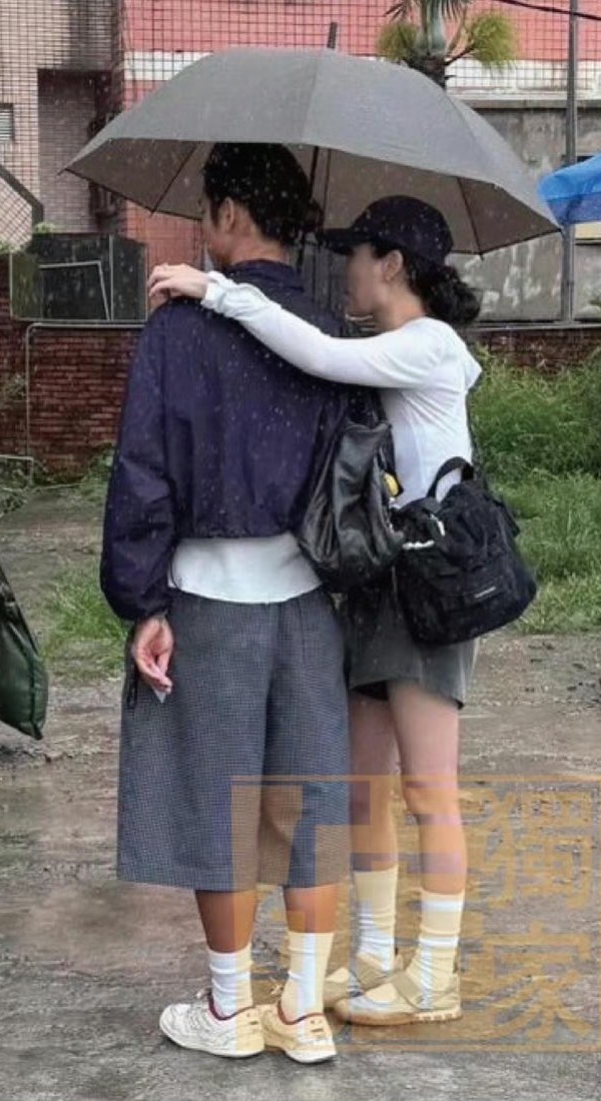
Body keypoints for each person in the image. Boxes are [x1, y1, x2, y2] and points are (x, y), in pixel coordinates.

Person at [149, 195, 483, 1027]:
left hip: (429, 587)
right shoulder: (392, 351)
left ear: (392, 265)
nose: (344, 272)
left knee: (428, 787)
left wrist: (216, 289)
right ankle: (372, 954)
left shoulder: (427, 343)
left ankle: (433, 973)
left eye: (356, 256)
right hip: (380, 586)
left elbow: (319, 355)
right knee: (359, 785)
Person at [101, 143, 354, 1064]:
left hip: (209, 598)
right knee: (311, 803)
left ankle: (229, 1006)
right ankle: (303, 1009)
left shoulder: (179, 330)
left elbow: (144, 471)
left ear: (232, 215)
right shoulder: (328, 330)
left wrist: (143, 602)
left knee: (221, 800)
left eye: (208, 212)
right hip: (312, 603)